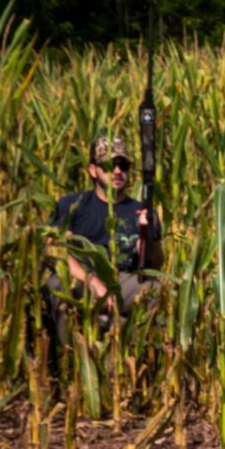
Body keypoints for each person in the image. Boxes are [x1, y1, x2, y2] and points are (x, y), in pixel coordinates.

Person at [43, 135, 163, 343]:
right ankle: (71, 361)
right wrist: (91, 280)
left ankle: (140, 355)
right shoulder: (73, 205)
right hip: (80, 279)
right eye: (109, 165)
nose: (117, 171)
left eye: (123, 165)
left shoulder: (141, 211)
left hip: (121, 280)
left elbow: (155, 265)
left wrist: (148, 236)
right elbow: (53, 250)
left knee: (158, 292)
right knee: (61, 290)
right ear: (92, 170)